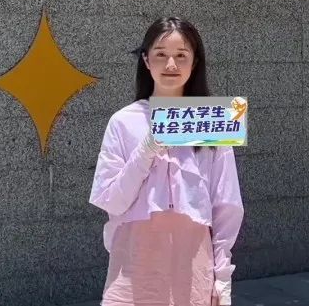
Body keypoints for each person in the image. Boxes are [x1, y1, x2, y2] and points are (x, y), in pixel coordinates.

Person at [89, 17, 244, 306]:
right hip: (135, 265)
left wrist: (222, 276)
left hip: (192, 266)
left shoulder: (213, 121)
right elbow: (111, 201)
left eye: (181, 55)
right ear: (146, 60)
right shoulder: (122, 122)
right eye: (160, 54)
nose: (171, 64)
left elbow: (227, 204)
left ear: (195, 62)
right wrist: (146, 149)